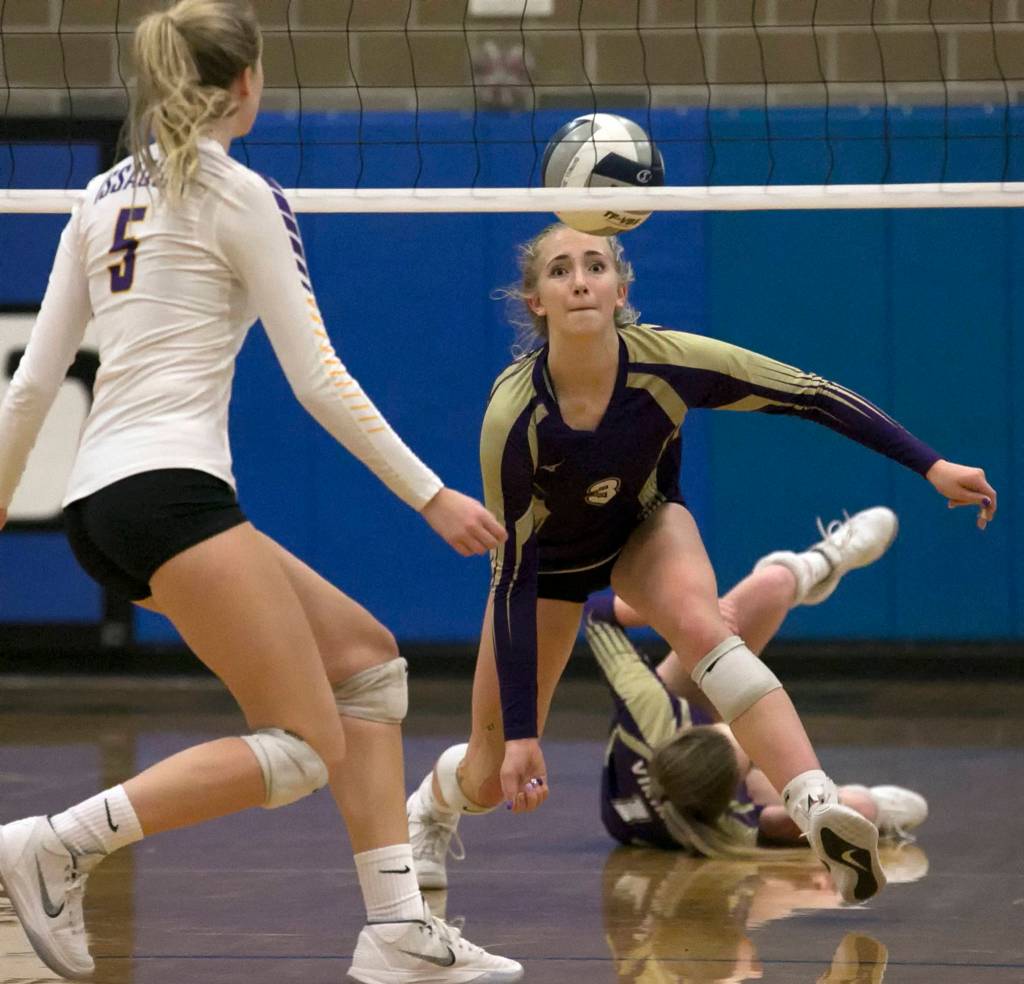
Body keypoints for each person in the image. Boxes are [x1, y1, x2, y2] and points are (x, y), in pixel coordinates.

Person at [0, 3, 521, 982]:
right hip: (170, 493)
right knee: (297, 748)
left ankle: (398, 931)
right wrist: (431, 495)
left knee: (368, 665)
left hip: (99, 506)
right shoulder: (242, 196)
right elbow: (319, 380)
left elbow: (32, 383)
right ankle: (56, 842)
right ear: (244, 86)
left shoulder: (96, 197)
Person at [406, 222, 995, 907]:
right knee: (486, 777)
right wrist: (524, 738)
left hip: (644, 528)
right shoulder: (514, 415)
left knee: (707, 629)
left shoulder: (667, 361)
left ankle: (814, 803)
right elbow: (510, 578)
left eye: (595, 265)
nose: (580, 279)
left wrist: (930, 463)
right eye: (560, 270)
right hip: (549, 572)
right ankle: (428, 808)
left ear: (621, 289)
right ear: (535, 300)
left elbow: (808, 392)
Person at [582, 508, 929, 857]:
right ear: (738, 787)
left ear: (691, 732)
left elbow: (597, 613)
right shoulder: (733, 823)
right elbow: (775, 821)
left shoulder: (648, 711)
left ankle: (827, 559)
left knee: (763, 590)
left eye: (729, 730)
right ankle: (875, 809)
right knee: (850, 809)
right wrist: (857, 811)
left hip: (675, 716)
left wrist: (680, 614)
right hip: (711, 796)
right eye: (750, 756)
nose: (731, 722)